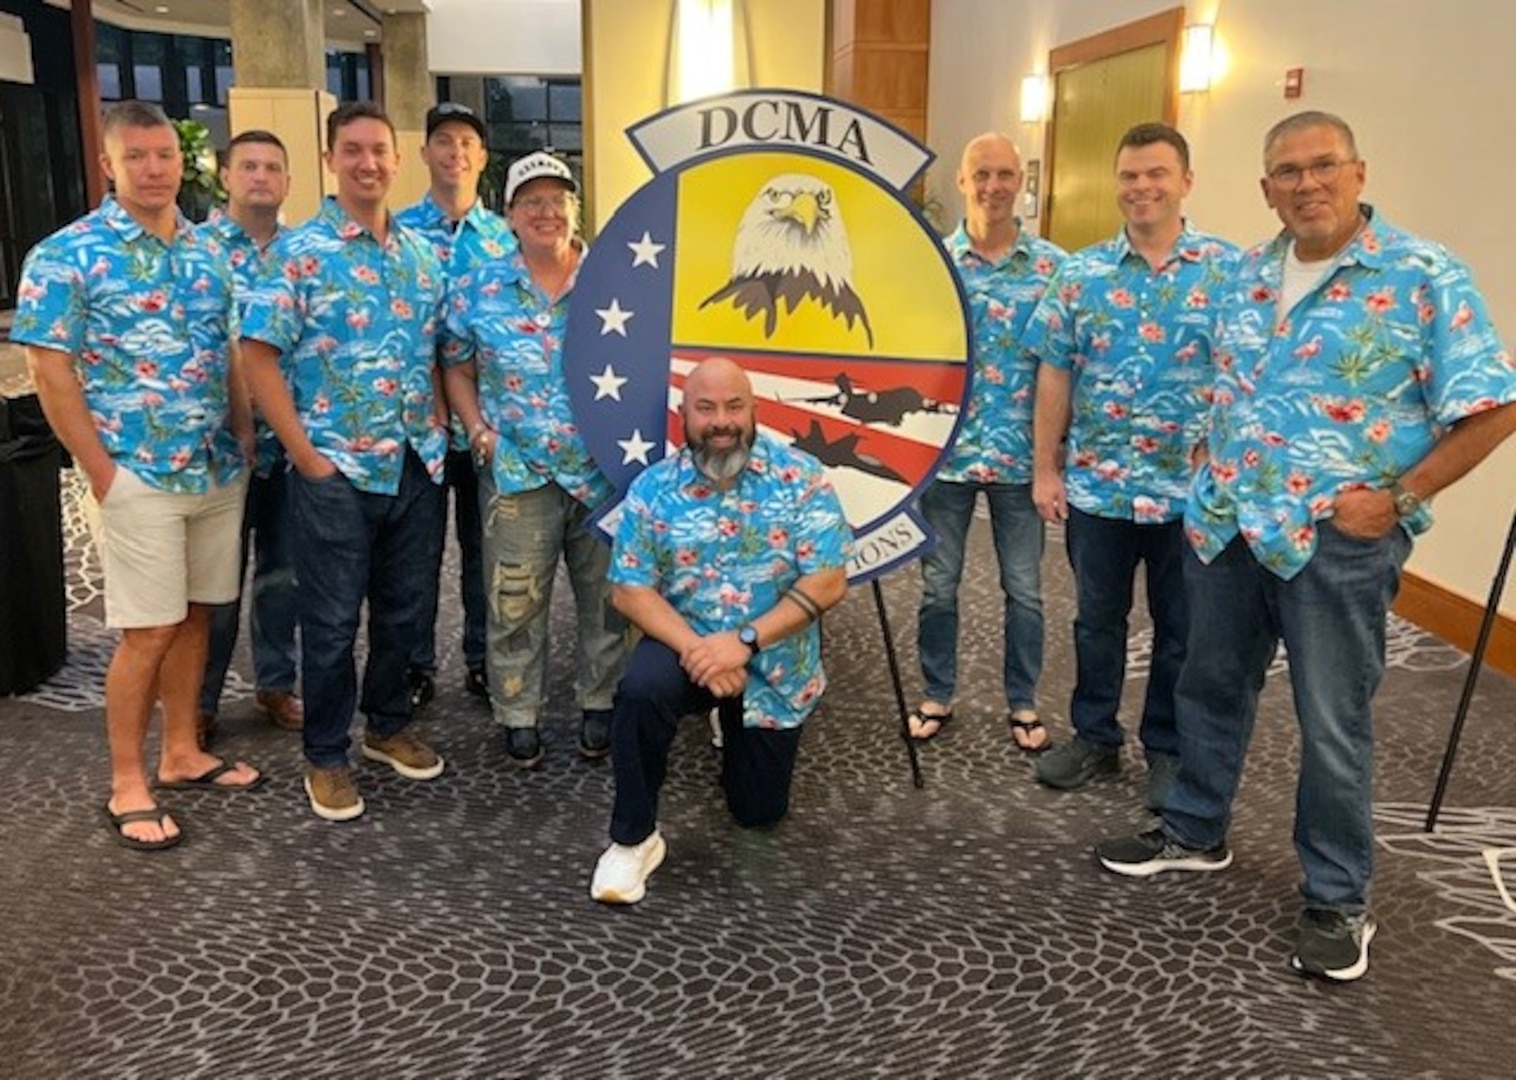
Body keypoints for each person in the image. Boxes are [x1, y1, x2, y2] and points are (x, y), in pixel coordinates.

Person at [1095, 111, 1516, 982]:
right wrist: (1210, 461)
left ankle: (1336, 896)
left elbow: (1494, 407)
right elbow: (1228, 383)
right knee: (1208, 685)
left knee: (1332, 720)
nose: (1307, 184)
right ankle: (1194, 830)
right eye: (1287, 172)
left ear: (1359, 171)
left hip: (1337, 542)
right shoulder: (1245, 275)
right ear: (1265, 190)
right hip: (1228, 529)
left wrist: (1401, 500)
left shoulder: (1422, 276)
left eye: (1323, 165)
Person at [14, 101, 262, 852]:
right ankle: (128, 780)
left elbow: (227, 349)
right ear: (109, 164)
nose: (154, 170)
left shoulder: (208, 251)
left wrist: (244, 431)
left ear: (182, 163)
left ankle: (181, 751)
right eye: (138, 157)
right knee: (147, 630)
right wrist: (99, 469)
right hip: (135, 471)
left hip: (213, 465)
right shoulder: (66, 255)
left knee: (196, 615)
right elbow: (48, 369)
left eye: (165, 155)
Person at [240, 101, 449, 822]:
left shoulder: (421, 255)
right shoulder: (300, 252)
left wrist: (438, 424)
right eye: (353, 150)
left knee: (406, 611)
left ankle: (386, 725)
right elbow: (258, 355)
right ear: (330, 160)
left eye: (379, 150)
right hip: (335, 468)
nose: (368, 163)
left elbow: (436, 350)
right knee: (329, 621)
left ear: (398, 159)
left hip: (414, 464)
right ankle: (326, 755)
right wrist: (305, 456)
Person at [1024, 123, 1238, 809]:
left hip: (1190, 495)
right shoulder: (1080, 274)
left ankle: (1167, 749)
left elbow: (1251, 374)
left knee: (1181, 631)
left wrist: (1227, 455)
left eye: (1156, 174)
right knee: (1096, 622)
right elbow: (1054, 373)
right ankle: (1095, 737)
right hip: (1099, 489)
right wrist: (1045, 469)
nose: (1142, 187)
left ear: (1186, 181)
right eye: (1129, 175)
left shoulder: (1231, 273)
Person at [588, 359, 853, 904]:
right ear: (683, 415)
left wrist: (744, 642)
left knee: (757, 812)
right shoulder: (655, 488)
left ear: (754, 410)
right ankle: (633, 839)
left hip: (773, 660)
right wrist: (703, 651)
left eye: (735, 406)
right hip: (688, 646)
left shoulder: (801, 478)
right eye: (705, 408)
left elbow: (828, 581)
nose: (721, 421)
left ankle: (730, 720)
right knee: (640, 692)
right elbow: (629, 590)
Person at [439, 151, 630, 769]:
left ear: (576, 209)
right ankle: (518, 711)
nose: (546, 213)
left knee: (609, 597)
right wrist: (477, 429)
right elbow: (456, 365)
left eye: (558, 201)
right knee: (514, 600)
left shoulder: (616, 279)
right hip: (518, 471)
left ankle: (602, 702)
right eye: (532, 202)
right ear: (511, 214)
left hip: (602, 470)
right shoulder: (479, 286)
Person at [911, 133, 1064, 750]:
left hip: (1022, 459)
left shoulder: (1054, 268)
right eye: (982, 174)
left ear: (1020, 182)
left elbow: (1063, 366)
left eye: (1005, 174)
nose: (993, 186)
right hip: (945, 456)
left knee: (1025, 591)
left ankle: (1023, 702)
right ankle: (937, 693)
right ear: (962, 181)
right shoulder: (933, 265)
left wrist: (1054, 458)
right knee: (937, 587)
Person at [396, 102, 514, 709]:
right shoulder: (396, 233)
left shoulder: (505, 239)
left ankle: (482, 658)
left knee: (485, 552)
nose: (456, 152)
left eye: (467, 142)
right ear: (425, 153)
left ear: (482, 156)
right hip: (416, 424)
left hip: (485, 422)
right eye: (443, 140)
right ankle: (414, 664)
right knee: (414, 557)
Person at [197, 129, 303, 745]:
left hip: (289, 447)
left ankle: (276, 684)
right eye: (249, 166)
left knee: (284, 575)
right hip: (216, 450)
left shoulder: (303, 253)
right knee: (214, 581)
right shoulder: (196, 249)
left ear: (287, 180)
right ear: (226, 176)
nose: (261, 176)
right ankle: (200, 700)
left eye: (272, 167)